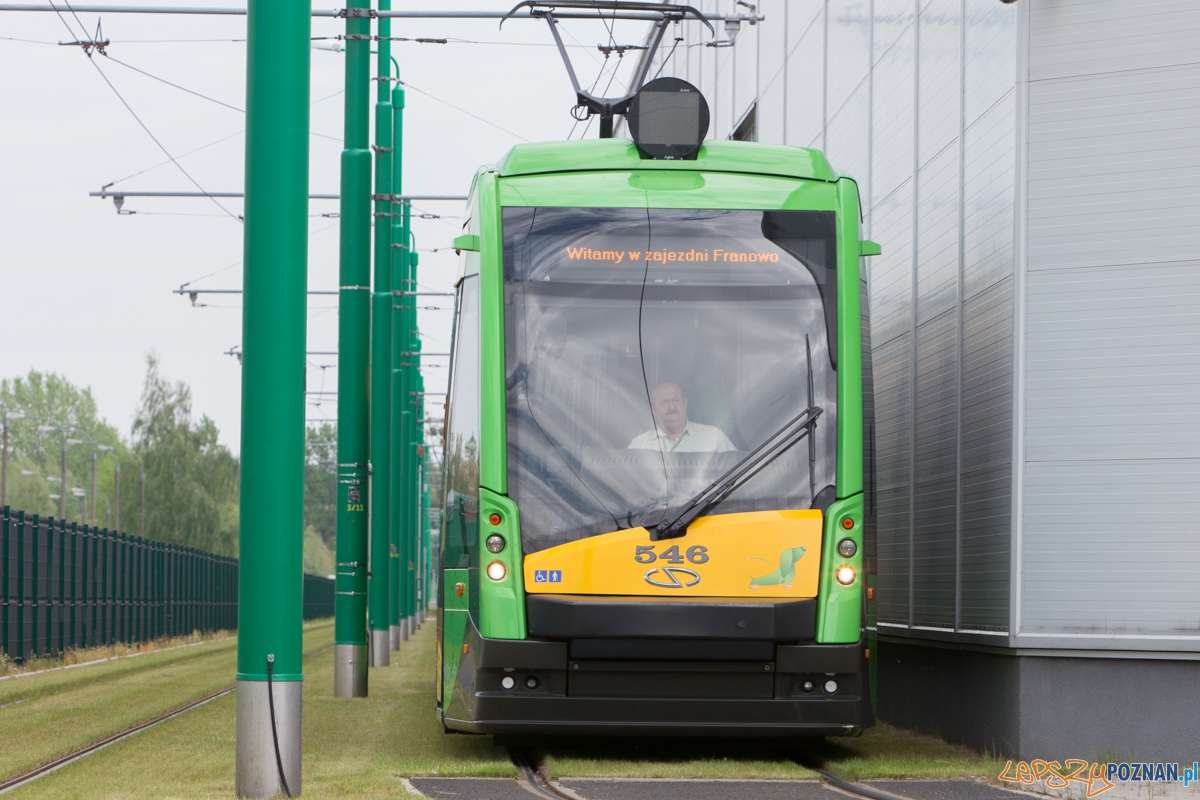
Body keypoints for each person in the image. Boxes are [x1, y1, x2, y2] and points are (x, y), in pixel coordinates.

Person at [628, 382, 736, 453]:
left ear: (685, 403)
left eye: (676, 400)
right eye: (664, 402)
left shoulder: (714, 436)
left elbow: (739, 475)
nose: (672, 407)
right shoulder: (639, 445)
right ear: (653, 410)